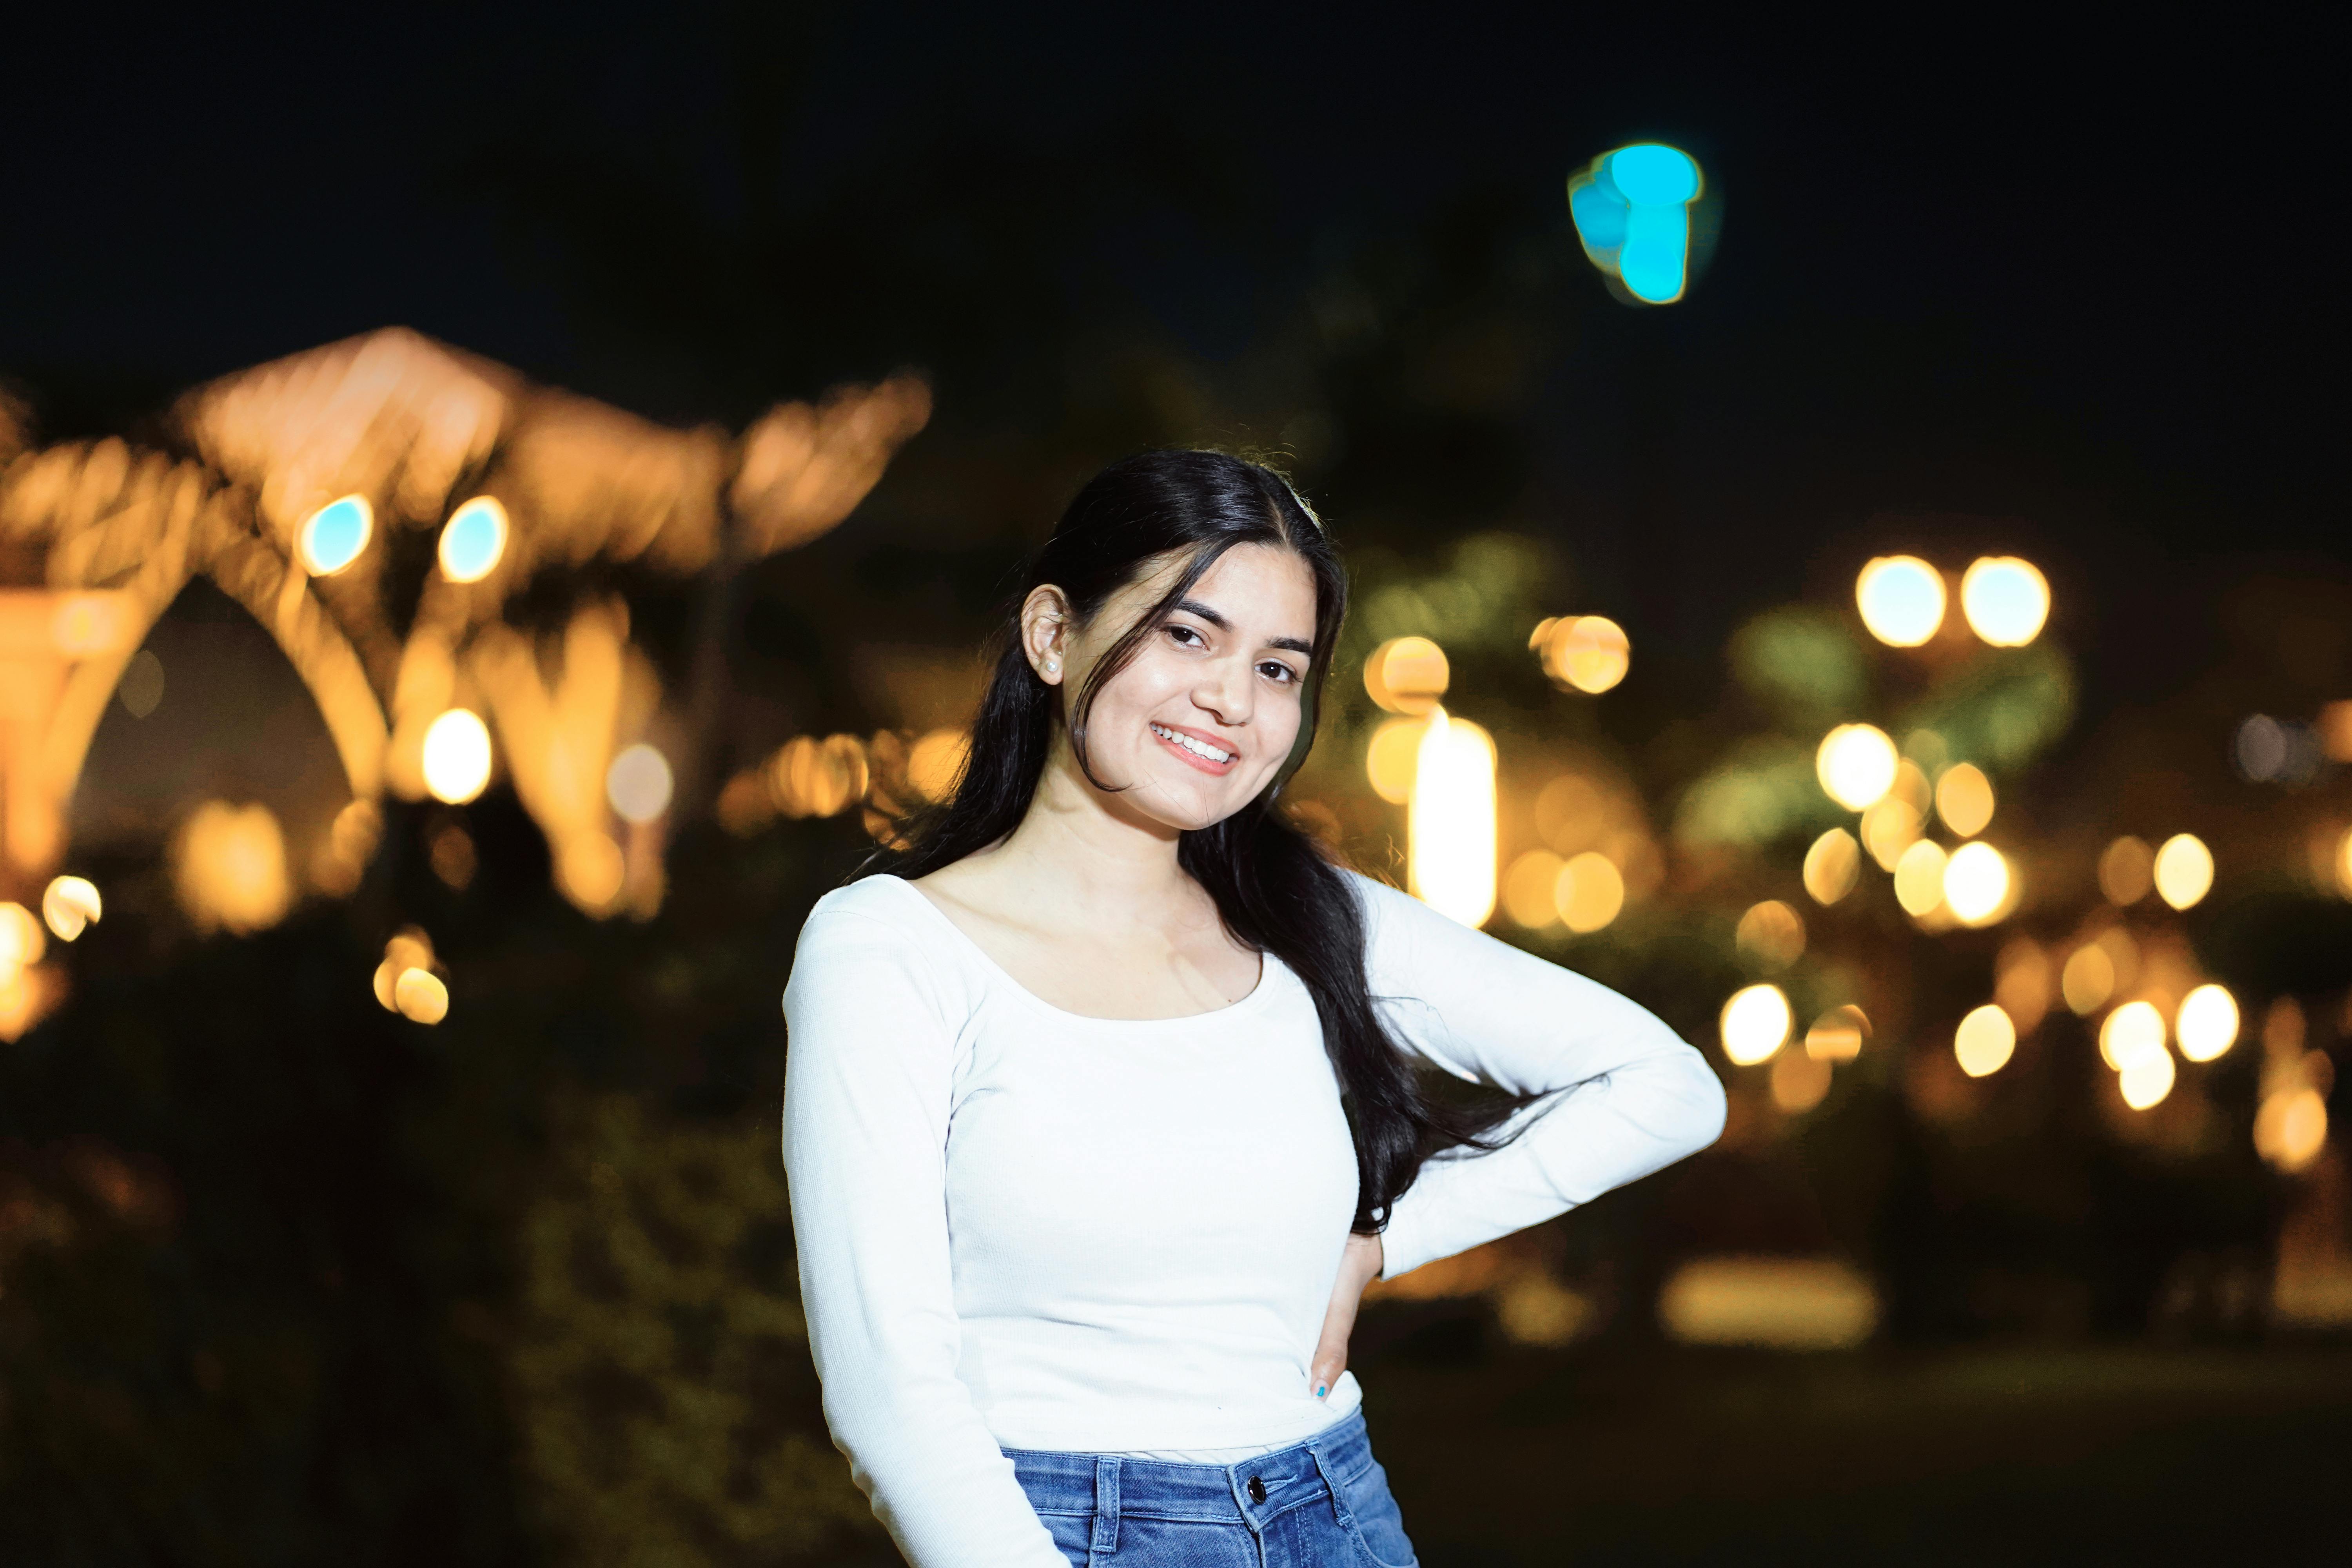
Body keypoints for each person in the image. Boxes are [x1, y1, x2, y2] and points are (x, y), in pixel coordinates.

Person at [782, 450, 1725, 1566]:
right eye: (1188, 634)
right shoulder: (890, 950)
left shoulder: (1316, 919)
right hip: (1064, 1530)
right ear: (1051, 636)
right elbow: (893, 1397)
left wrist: (1384, 1240)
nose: (1234, 699)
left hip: (1337, 1508)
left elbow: (1668, 1088)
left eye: (1281, 668)